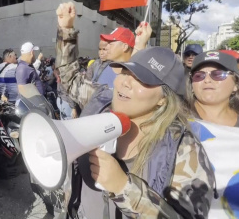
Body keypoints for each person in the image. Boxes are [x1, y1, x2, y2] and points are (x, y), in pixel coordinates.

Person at [85, 47, 215, 218]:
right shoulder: (99, 109)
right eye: (125, 72)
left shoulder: (184, 150)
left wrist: (124, 189)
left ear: (164, 99)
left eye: (141, 79)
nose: (125, 82)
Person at [186, 51, 239, 127]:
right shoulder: (177, 121)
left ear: (236, 84)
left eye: (218, 74)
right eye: (198, 76)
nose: (207, 80)